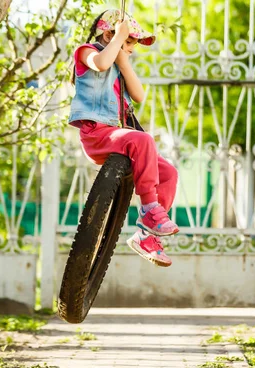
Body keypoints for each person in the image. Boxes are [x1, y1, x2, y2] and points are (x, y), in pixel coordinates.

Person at [69, 9, 178, 267]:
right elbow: (100, 63)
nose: (131, 47)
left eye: (132, 43)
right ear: (109, 34)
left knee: (170, 173)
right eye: (130, 41)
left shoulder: (119, 66)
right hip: (97, 134)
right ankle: (150, 209)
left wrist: (125, 62)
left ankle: (147, 236)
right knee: (143, 140)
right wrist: (119, 39)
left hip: (120, 137)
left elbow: (139, 95)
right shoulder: (87, 51)